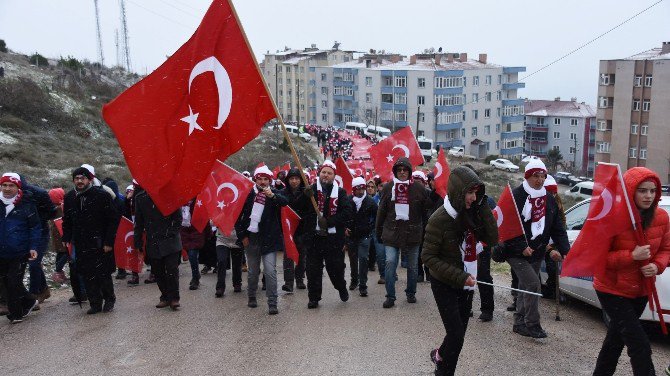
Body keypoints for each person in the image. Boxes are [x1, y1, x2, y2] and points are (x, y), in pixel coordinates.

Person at [592, 167, 670, 376]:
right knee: (640, 344)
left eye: (653, 191)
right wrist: (631, 256)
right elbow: (598, 257)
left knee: (614, 341)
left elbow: (666, 249)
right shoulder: (611, 217)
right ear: (630, 190)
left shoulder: (661, 217)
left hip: (641, 290)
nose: (648, 196)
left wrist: (657, 266)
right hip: (611, 288)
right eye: (642, 190)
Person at [422, 166, 498, 376]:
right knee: (455, 334)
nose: (473, 198)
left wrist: (482, 206)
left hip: (467, 283)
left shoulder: (472, 213)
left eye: (477, 193)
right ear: (457, 192)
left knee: (459, 337)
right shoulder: (439, 219)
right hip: (445, 283)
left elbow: (492, 239)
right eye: (470, 193)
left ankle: (441, 362)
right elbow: (427, 257)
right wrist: (460, 276)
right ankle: (441, 365)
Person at [502, 159, 569, 338]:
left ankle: (519, 321)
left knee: (526, 286)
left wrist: (564, 250)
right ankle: (532, 323)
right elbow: (506, 226)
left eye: (542, 176)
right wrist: (521, 246)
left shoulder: (548, 198)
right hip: (515, 252)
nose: (539, 180)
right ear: (528, 177)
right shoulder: (516, 195)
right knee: (533, 284)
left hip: (537, 251)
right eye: (535, 176)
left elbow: (557, 227)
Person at [62, 167, 120, 315]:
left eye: (83, 178)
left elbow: (113, 219)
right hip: (81, 242)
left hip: (100, 242)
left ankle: (109, 299)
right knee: (87, 273)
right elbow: (67, 220)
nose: (80, 181)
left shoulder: (101, 195)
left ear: (89, 180)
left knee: (102, 272)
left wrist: (108, 241)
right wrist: (66, 237)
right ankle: (95, 303)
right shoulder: (69, 197)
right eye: (77, 178)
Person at [375, 157, 431, 308]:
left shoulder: (419, 190)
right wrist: (378, 230)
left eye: (405, 169)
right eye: (399, 170)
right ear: (395, 172)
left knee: (412, 266)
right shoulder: (388, 188)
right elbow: (381, 211)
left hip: (413, 233)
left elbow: (425, 213)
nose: (402, 172)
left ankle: (411, 292)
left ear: (409, 172)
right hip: (391, 232)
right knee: (390, 262)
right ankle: (390, 296)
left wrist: (426, 233)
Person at [235, 165, 288, 315]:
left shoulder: (274, 193)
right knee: (253, 272)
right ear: (255, 179)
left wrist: (273, 196)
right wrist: (242, 236)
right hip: (251, 239)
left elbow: (285, 201)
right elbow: (237, 216)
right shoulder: (247, 194)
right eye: (260, 179)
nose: (263, 182)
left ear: (269, 180)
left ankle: (272, 302)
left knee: (270, 271)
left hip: (269, 239)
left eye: (266, 179)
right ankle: (251, 295)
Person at [300, 160, 353, 309]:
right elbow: (299, 208)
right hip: (314, 238)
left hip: (333, 239)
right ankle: (314, 298)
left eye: (329, 173)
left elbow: (347, 213)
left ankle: (341, 287)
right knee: (312, 270)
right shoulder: (310, 190)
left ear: (334, 176)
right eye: (324, 172)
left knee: (335, 269)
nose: (326, 175)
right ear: (319, 173)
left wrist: (329, 221)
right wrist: (304, 195)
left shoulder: (340, 193)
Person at [133, 184, 183, 310]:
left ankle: (174, 298)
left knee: (172, 270)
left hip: (170, 239)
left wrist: (171, 232)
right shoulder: (140, 198)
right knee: (158, 271)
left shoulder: (170, 194)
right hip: (153, 240)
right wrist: (137, 242)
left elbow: (178, 217)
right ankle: (165, 296)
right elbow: (138, 222)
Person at [0, 173, 40, 323]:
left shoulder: (26, 203)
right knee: (5, 281)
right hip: (1, 250)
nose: (7, 188)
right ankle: (29, 301)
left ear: (18, 187)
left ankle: (15, 314)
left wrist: (33, 246)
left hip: (20, 250)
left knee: (13, 282)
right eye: (4, 185)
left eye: (11, 185)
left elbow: (35, 227)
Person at [345, 177, 378, 297]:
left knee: (363, 259)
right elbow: (342, 216)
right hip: (351, 236)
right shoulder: (347, 200)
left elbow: (377, 216)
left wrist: (370, 227)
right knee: (353, 260)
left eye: (362, 188)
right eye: (358, 189)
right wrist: (345, 228)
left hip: (365, 235)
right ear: (353, 189)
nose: (360, 191)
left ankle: (363, 286)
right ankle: (354, 280)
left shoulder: (370, 202)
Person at [280, 167, 308, 292]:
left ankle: (300, 279)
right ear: (288, 180)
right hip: (288, 229)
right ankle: (288, 282)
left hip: (302, 229)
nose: (294, 181)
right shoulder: (283, 192)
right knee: (288, 256)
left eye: (297, 178)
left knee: (302, 256)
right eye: (292, 178)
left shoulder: (306, 192)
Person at [541, 174, 567, 301]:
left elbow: (561, 220)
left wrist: (556, 240)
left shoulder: (557, 201)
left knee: (553, 266)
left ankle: (552, 290)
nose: (552, 195)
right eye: (549, 192)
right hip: (537, 239)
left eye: (554, 192)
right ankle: (518, 295)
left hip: (552, 240)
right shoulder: (538, 201)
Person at [180, 200, 211, 291]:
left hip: (196, 229)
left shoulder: (199, 200)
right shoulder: (180, 200)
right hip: (184, 231)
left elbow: (205, 216)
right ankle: (196, 274)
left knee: (193, 254)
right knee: (191, 255)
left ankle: (195, 278)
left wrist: (208, 232)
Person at [215, 227, 244, 296]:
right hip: (222, 240)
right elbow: (212, 222)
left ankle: (237, 283)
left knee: (237, 264)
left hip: (237, 240)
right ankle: (220, 287)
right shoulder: (219, 215)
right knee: (221, 261)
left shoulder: (238, 215)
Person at [48, 188, 69, 284]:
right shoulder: (61, 208)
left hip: (56, 234)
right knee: (66, 252)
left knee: (60, 252)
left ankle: (59, 272)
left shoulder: (52, 208)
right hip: (62, 233)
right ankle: (57, 271)